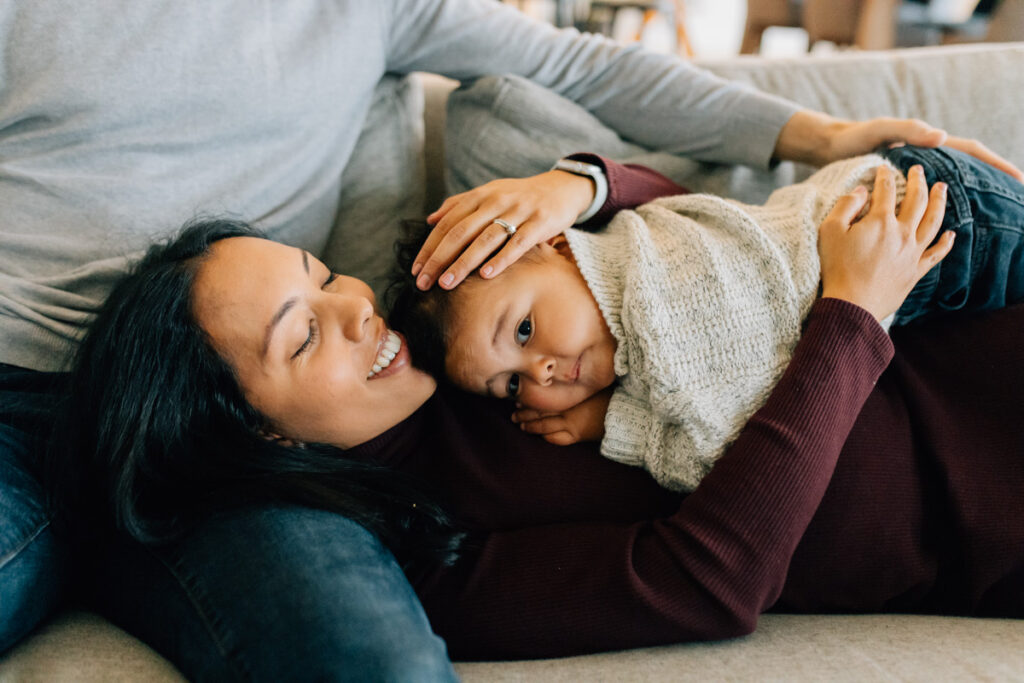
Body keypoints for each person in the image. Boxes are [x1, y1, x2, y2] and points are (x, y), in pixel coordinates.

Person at [2, 0, 1021, 676]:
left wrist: (578, 188)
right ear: (258, 431)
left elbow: (689, 239)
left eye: (323, 275)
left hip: (969, 355)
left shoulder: (435, 328)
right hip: (982, 514)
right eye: (302, 331)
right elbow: (706, 579)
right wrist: (849, 319)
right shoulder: (434, 552)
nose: (357, 307)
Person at [387, 144, 1024, 492]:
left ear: (553, 242)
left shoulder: (659, 314)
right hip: (908, 202)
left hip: (946, 231)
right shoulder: (630, 243)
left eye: (523, 331)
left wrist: (613, 424)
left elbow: (724, 458)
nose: (543, 371)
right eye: (513, 384)